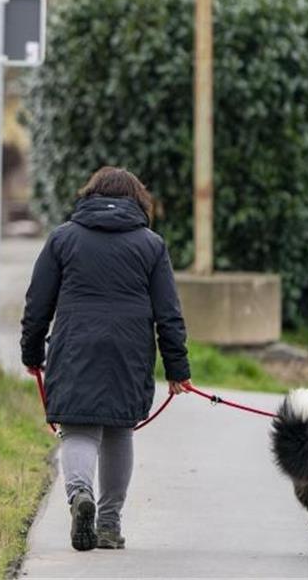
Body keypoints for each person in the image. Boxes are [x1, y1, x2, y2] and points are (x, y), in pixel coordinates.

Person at [20, 166, 192, 552]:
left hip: (75, 344)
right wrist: (178, 369)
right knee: (118, 429)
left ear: (89, 195)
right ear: (139, 201)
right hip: (129, 351)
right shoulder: (151, 245)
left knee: (79, 428)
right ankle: (109, 524)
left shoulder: (63, 239)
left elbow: (38, 303)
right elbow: (169, 313)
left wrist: (32, 352)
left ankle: (80, 495)